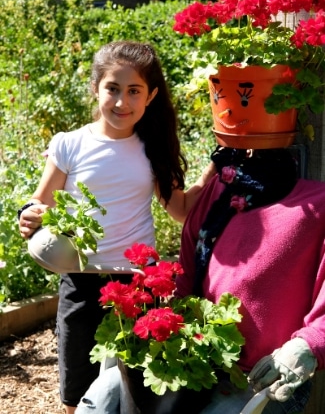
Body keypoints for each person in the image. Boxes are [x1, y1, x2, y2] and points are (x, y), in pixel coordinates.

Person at [17, 40, 215, 414]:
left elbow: (181, 210)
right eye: (113, 88)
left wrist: (216, 164)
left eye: (134, 91)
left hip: (138, 284)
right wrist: (29, 213)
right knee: (76, 391)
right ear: (96, 88)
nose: (122, 102)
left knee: (134, 392)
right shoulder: (70, 144)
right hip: (81, 279)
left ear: (150, 95)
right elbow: (41, 200)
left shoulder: (152, 149)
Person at [175, 145, 325, 413]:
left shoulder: (318, 202)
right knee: (107, 393)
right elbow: (184, 275)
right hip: (200, 361)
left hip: (266, 378)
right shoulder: (218, 190)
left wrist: (310, 345)